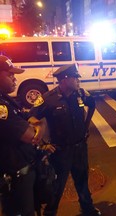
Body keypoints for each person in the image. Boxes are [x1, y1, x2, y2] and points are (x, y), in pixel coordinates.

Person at [29, 64, 101, 216]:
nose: (78, 81)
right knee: (57, 185)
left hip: (80, 148)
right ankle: (50, 212)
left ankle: (87, 209)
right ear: (65, 79)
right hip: (60, 151)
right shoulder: (48, 99)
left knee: (82, 180)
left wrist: (85, 126)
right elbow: (32, 117)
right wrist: (43, 142)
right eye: (75, 78)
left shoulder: (81, 94)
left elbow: (92, 104)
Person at [0, 55, 45, 216]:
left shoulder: (6, 99)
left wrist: (36, 124)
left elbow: (27, 117)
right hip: (15, 175)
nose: (14, 79)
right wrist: (39, 126)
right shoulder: (1, 108)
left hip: (21, 170)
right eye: (10, 75)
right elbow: (31, 136)